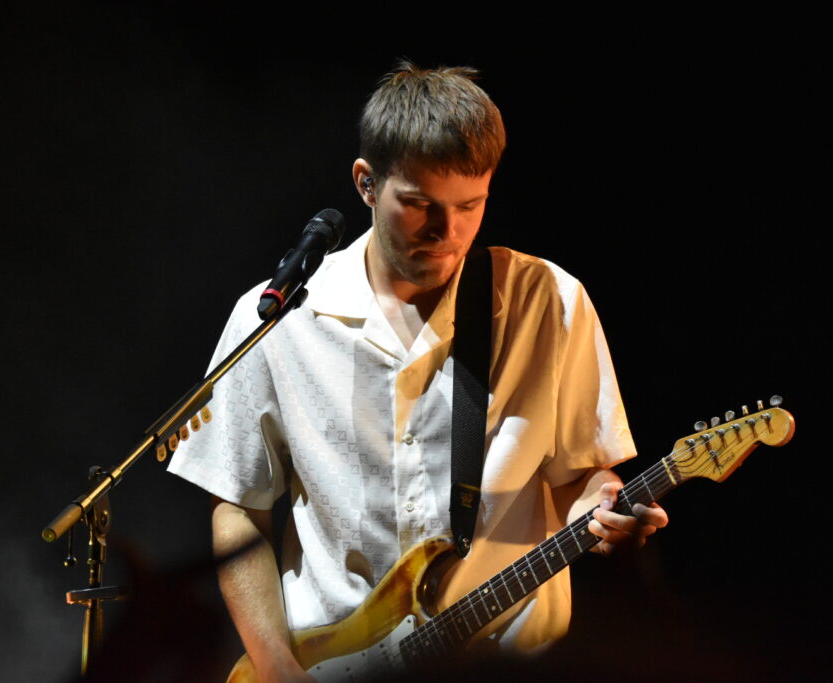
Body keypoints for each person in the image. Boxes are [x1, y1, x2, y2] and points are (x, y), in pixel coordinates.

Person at [168, 62, 668, 682]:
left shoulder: (550, 302)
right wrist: (274, 668)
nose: (447, 232)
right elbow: (238, 507)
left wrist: (603, 507)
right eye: (419, 204)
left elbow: (582, 477)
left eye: (470, 205)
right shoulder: (276, 319)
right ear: (366, 183)